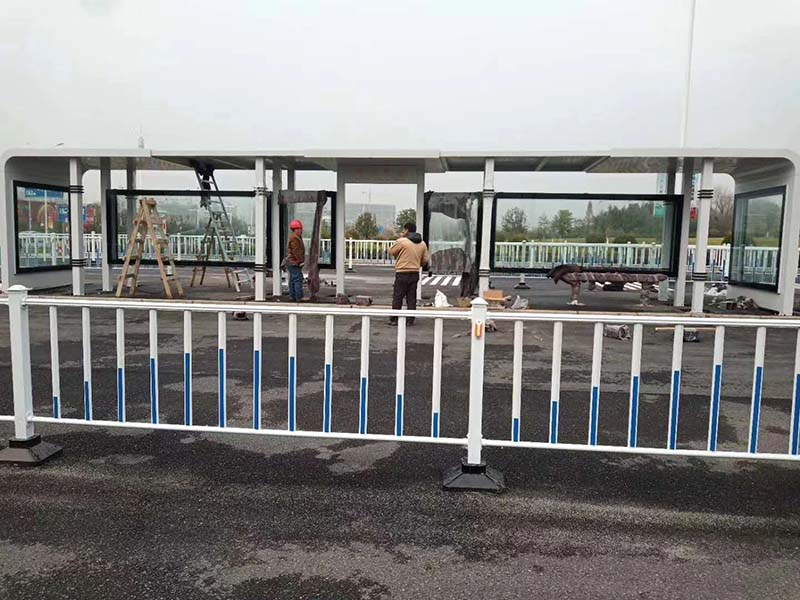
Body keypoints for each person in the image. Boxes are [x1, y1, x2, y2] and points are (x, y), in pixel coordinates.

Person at [388, 222, 429, 325]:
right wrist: (418, 264)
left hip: (402, 272)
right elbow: (425, 260)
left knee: (398, 296)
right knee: (411, 297)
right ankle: (410, 320)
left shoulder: (402, 241)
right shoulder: (422, 243)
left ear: (406, 230)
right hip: (414, 273)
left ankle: (394, 319)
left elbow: (392, 251)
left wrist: (401, 237)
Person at [286, 219, 305, 301]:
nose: (301, 231)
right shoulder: (295, 238)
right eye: (300, 229)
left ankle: (293, 296)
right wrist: (300, 261)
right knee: (298, 279)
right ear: (296, 229)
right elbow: (296, 251)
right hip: (294, 262)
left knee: (293, 279)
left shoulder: (294, 237)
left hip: (291, 262)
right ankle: (299, 296)